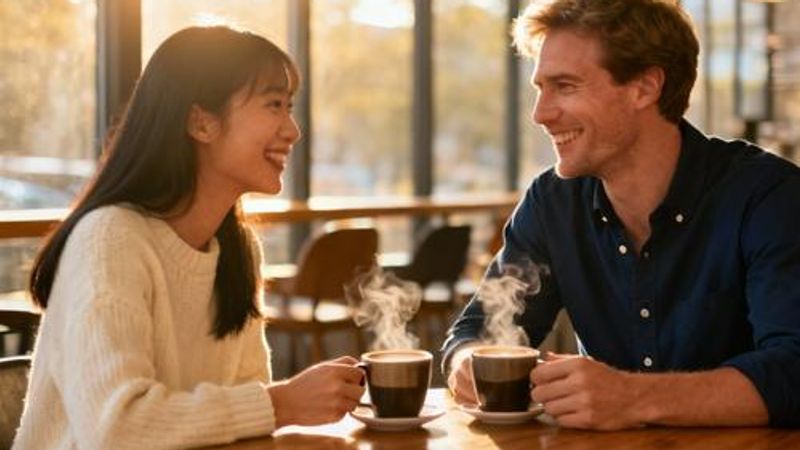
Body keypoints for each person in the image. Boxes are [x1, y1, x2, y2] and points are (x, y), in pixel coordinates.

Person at [443, 0, 800, 430]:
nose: (540, 114)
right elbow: (476, 331)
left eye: (565, 86)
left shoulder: (770, 197)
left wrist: (633, 397)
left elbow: (793, 370)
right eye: (540, 88)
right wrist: (467, 362)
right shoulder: (552, 203)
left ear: (645, 88)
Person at [13, 26, 365, 449]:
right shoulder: (110, 240)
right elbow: (115, 429)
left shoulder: (238, 251)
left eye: (289, 108)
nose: (293, 130)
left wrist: (281, 412)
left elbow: (243, 426)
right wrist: (282, 403)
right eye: (274, 105)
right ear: (201, 122)